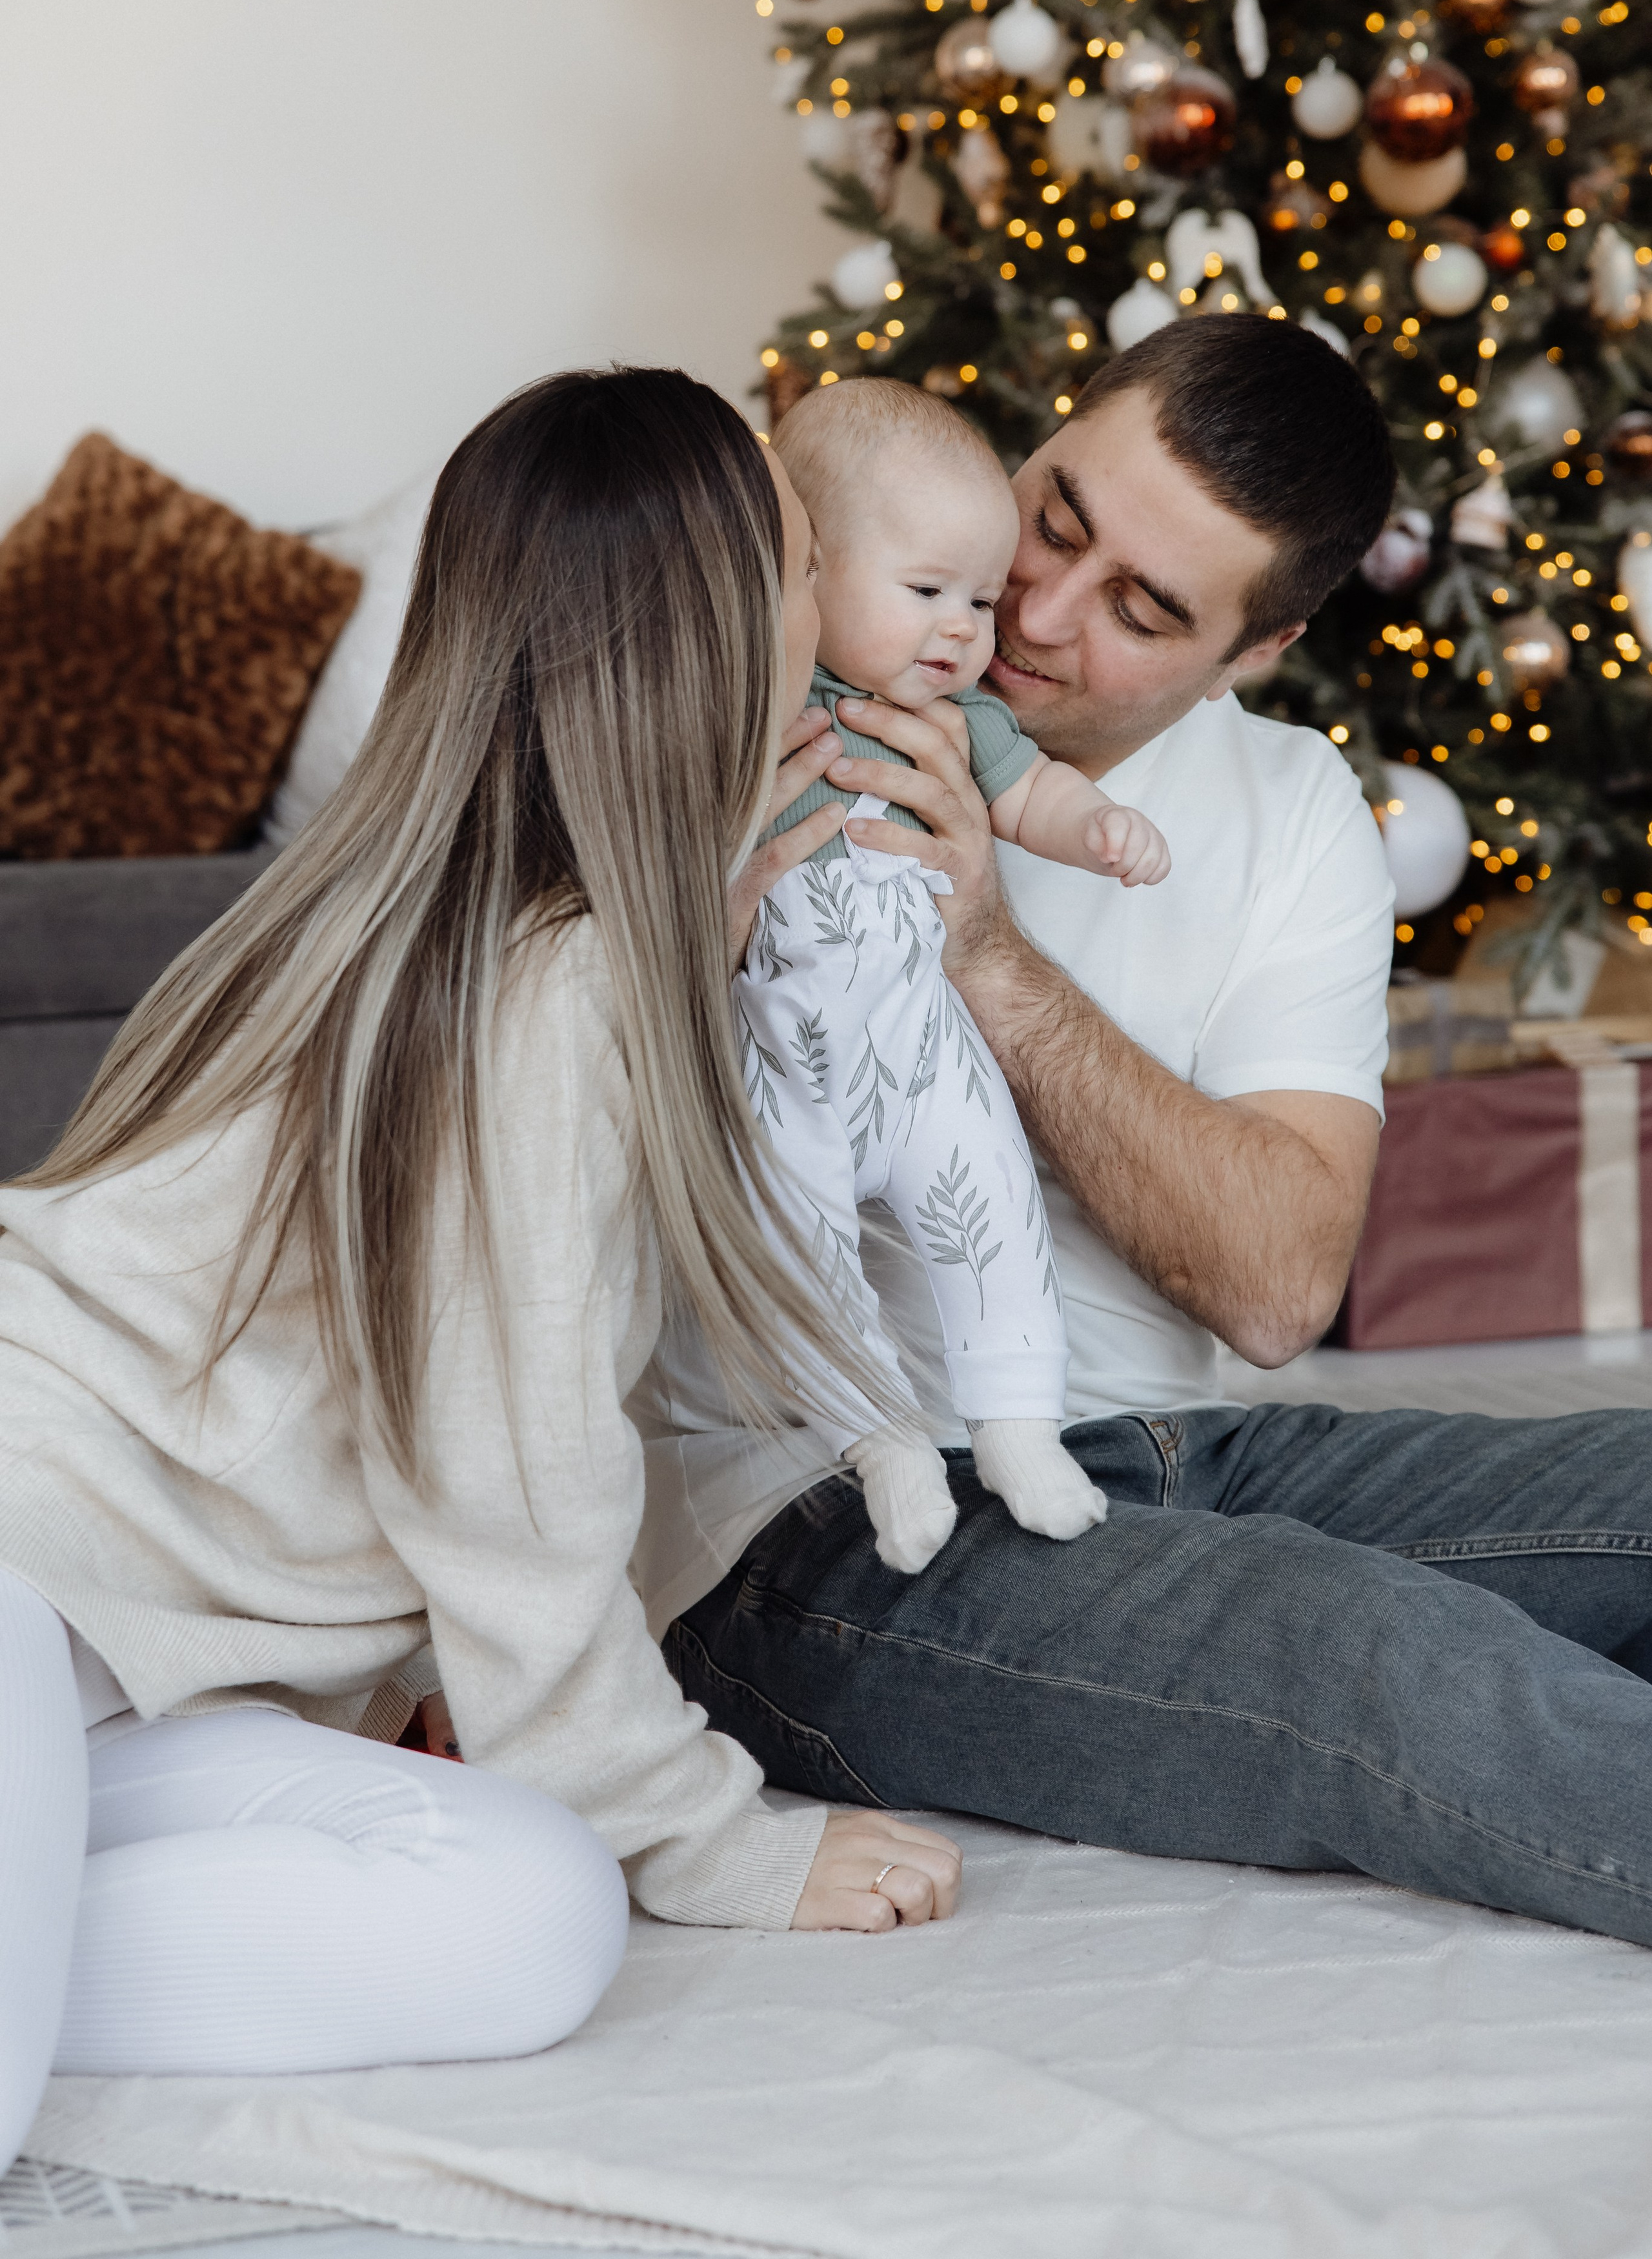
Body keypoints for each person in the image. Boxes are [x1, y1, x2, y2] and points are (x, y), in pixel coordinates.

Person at [0, 365, 958, 2174]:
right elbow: (508, 1480)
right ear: (693, 633)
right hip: (13, 1592)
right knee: (612, 1862)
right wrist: (715, 1836)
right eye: (799, 561)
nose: (827, 613)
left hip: (115, 1669)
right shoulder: (549, 982)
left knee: (532, 1908)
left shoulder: (564, 957)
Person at [647, 315, 1652, 1952]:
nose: (1028, 617)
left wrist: (985, 946)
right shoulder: (750, 692)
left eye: (1142, 609)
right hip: (813, 1518)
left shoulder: (1290, 810)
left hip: (1189, 1463)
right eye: (1055, 516)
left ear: (1256, 650)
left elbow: (1272, 1291)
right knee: (1372, 1653)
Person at [734, 378, 1167, 1576]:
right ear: (806, 570)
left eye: (980, 598)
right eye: (927, 592)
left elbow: (1035, 794)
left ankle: (1020, 1428)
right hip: (781, 1060)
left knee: (994, 1212)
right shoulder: (753, 704)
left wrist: (1101, 829)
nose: (967, 631)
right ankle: (880, 1440)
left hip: (921, 1049)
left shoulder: (962, 717)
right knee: (794, 1241)